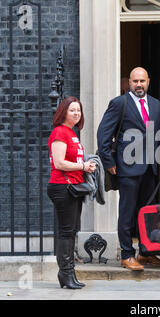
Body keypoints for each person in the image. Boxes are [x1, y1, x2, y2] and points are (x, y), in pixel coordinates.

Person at [97, 67, 160, 271]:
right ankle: (127, 254)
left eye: (142, 81)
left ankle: (146, 253)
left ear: (148, 82)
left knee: (148, 212)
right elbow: (103, 134)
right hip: (127, 169)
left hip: (151, 169)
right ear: (129, 83)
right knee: (127, 212)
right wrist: (109, 163)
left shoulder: (155, 104)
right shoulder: (119, 103)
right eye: (135, 81)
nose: (139, 85)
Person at [47, 96, 97, 289]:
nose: (77, 113)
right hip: (62, 187)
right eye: (72, 110)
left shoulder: (72, 133)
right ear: (63, 112)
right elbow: (59, 163)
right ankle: (66, 274)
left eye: (79, 110)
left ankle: (69, 274)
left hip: (72, 188)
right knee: (66, 232)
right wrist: (83, 166)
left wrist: (86, 166)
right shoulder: (60, 132)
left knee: (71, 230)